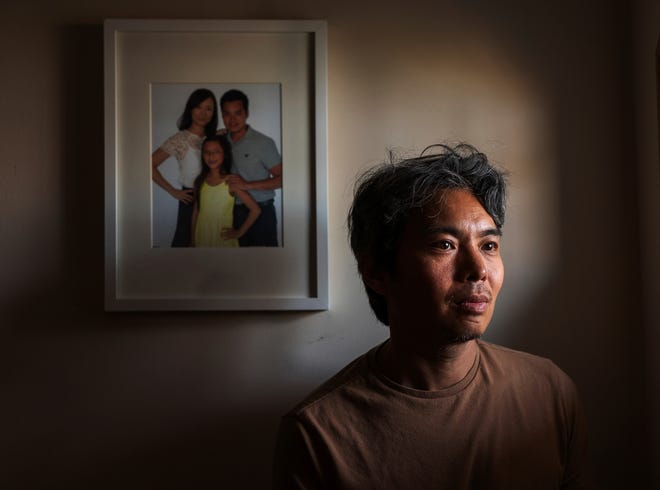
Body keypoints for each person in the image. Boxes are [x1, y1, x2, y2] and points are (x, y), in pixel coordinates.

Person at [273, 144, 592, 489]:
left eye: (488, 245)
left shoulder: (549, 392)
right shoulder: (317, 432)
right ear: (377, 272)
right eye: (444, 244)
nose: (477, 270)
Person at [152, 88, 218, 247]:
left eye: (208, 109)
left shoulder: (216, 138)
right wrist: (172, 191)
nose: (203, 113)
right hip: (191, 199)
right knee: (186, 248)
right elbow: (149, 164)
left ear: (214, 113)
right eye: (198, 107)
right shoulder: (180, 139)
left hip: (216, 199)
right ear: (190, 109)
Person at [219, 89, 282, 247]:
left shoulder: (263, 143)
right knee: (238, 265)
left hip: (262, 212)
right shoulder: (221, 141)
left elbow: (283, 179)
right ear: (222, 115)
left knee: (264, 264)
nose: (232, 119)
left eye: (237, 113)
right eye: (227, 114)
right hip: (233, 212)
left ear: (246, 113)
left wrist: (248, 185)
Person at [191, 135, 261, 247]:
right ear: (202, 155)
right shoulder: (200, 181)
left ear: (225, 154)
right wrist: (192, 239)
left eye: (216, 151)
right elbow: (196, 211)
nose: (211, 156)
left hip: (222, 237)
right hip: (202, 235)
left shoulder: (231, 182)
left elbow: (255, 210)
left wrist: (239, 232)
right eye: (206, 152)